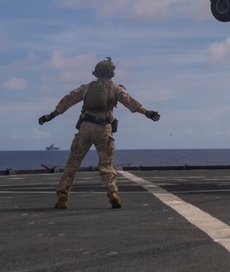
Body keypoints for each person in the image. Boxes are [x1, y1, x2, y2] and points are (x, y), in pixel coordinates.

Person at [38, 57, 161, 209]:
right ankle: (112, 193)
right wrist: (147, 112)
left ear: (95, 73)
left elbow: (68, 100)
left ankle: (62, 198)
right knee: (106, 164)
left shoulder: (87, 88)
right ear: (112, 73)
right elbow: (130, 102)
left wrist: (50, 116)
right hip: (104, 128)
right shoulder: (116, 88)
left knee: (72, 164)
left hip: (86, 127)